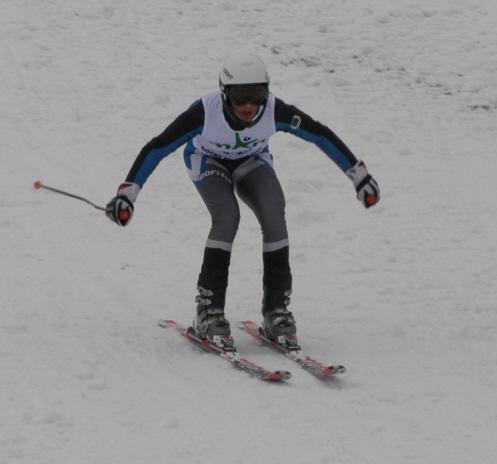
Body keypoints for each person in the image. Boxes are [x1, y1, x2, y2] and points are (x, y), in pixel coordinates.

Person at [106, 54, 379, 350]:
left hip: (252, 161)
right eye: (239, 98)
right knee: (227, 216)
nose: (249, 107)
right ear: (225, 95)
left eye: (256, 97)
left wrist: (359, 175)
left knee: (274, 211)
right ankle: (208, 311)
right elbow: (157, 147)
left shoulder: (275, 110)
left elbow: (319, 134)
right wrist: (128, 193)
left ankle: (276, 310)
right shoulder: (204, 112)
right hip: (207, 161)